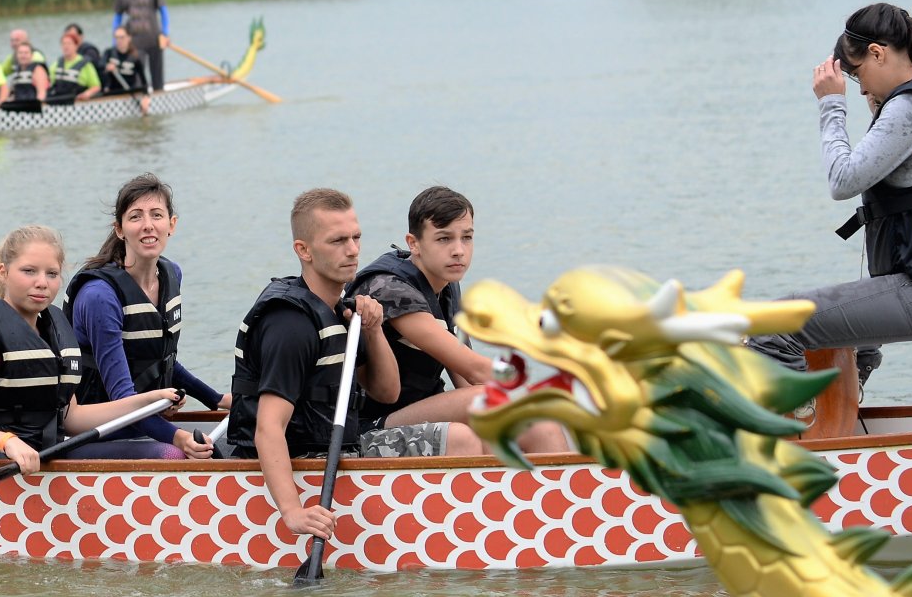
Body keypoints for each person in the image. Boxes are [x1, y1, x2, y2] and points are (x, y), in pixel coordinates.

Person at [748, 2, 912, 395]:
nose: (862, 88)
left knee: (774, 324)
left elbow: (843, 180)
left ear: (878, 53)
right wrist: (883, 110)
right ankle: (848, 409)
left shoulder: (910, 106)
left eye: (858, 74)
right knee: (853, 326)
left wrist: (831, 104)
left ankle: (802, 433)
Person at [226, 189, 437, 542]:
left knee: (469, 436)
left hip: (336, 446)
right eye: (337, 241)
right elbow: (268, 429)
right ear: (303, 250)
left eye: (356, 238)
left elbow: (387, 392)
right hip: (305, 457)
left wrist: (372, 329)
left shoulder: (341, 309)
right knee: (459, 439)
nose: (353, 250)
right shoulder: (290, 324)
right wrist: (293, 512)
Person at [348, 187, 567, 458]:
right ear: (413, 243)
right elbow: (475, 370)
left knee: (540, 427)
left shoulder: (448, 287)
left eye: (467, 237)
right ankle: (493, 494)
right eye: (444, 239)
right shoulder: (388, 289)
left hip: (421, 413)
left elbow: (467, 381)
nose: (458, 251)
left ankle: (553, 495)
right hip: (367, 428)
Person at [0, 225, 182, 468]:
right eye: (29, 271)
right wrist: (7, 442)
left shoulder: (55, 330)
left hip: (48, 456)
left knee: (168, 453)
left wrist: (147, 401)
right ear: (3, 272)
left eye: (52, 274)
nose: (41, 283)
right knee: (166, 455)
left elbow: (72, 419)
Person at [65, 175, 228, 459]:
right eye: (135, 217)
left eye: (156, 215)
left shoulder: (171, 274)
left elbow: (161, 360)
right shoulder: (99, 297)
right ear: (119, 229)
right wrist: (178, 438)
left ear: (171, 224)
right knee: (174, 455)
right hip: (98, 430)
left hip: (144, 421)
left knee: (243, 436)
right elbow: (123, 398)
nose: (148, 225)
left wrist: (219, 400)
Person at [113, 0, 169, 92]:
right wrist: (116, 39)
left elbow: (163, 11)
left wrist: (165, 33)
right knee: (137, 73)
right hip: (134, 41)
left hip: (154, 37)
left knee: (157, 73)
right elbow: (117, 16)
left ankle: (159, 94)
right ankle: (140, 95)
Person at [46, 26, 103, 105]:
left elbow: (96, 86)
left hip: (78, 102)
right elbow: (49, 84)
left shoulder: (86, 65)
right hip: (59, 100)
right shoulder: (55, 65)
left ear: (76, 46)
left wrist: (87, 94)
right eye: (63, 44)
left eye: (69, 44)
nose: (66, 46)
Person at [102, 25, 149, 115]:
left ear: (129, 38)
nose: (119, 41)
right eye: (116, 38)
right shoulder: (109, 53)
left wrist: (146, 97)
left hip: (129, 92)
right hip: (111, 92)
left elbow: (144, 81)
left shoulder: (135, 57)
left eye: (122, 37)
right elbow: (99, 65)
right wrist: (107, 66)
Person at [0, 40, 49, 112]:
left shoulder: (38, 70)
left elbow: (41, 94)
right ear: (16, 55)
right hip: (19, 107)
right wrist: (1, 102)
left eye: (26, 53)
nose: (23, 56)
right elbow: (12, 94)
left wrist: (38, 108)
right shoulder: (17, 71)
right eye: (20, 53)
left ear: (31, 55)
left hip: (33, 108)